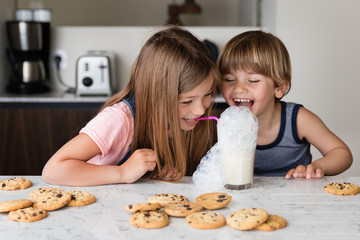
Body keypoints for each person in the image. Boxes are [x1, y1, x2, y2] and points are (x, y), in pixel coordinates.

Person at [42, 26, 220, 186]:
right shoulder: (119, 119)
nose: (200, 110)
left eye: (208, 94)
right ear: (156, 96)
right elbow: (53, 170)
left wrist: (154, 172)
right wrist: (122, 172)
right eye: (187, 101)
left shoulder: (184, 120)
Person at [217, 30, 353, 179]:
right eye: (229, 79)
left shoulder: (297, 120)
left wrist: (319, 166)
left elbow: (341, 152)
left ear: (279, 88)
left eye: (253, 80)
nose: (238, 88)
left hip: (294, 199)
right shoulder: (220, 123)